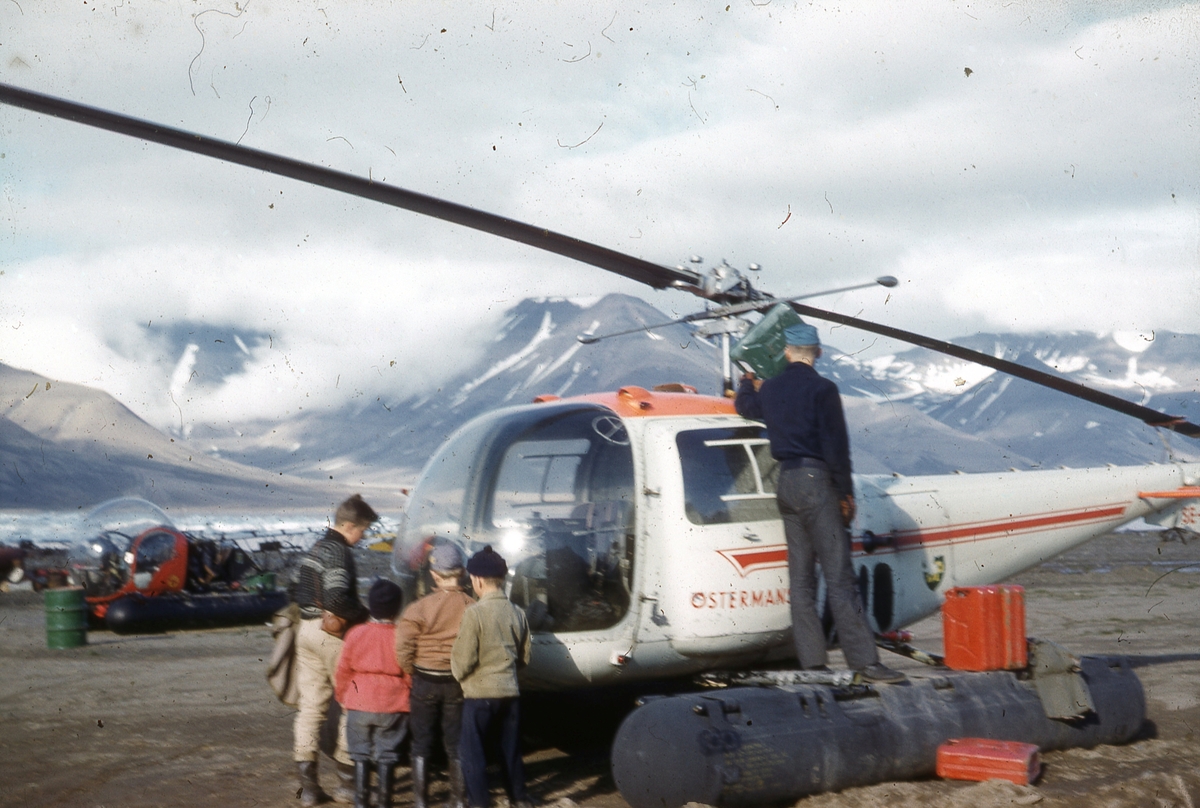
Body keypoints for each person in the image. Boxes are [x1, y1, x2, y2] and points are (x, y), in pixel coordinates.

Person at [735, 322, 906, 685]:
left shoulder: (773, 389)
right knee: (841, 579)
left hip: (787, 484)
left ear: (786, 352)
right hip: (817, 482)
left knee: (800, 581)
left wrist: (746, 382)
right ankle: (866, 664)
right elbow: (836, 447)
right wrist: (845, 494)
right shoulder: (823, 389)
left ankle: (812, 665)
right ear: (819, 353)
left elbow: (746, 406)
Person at [292, 494, 378, 806]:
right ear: (350, 526)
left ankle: (310, 788)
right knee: (348, 704)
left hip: (306, 632)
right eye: (364, 530)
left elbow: (297, 588)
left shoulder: (315, 548)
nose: (364, 536)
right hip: (333, 636)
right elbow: (338, 599)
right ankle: (346, 784)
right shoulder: (339, 552)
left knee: (311, 709)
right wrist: (366, 616)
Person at [451, 546, 534, 808]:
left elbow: (463, 660)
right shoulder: (518, 613)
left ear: (476, 580)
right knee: (510, 751)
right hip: (510, 694)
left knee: (473, 755)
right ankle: (519, 798)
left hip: (479, 696)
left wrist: (461, 677)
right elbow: (525, 657)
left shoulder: (474, 613)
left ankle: (480, 803)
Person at [395, 542, 475, 808]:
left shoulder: (419, 608)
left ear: (434, 574)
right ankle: (459, 799)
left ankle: (421, 801)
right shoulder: (472, 607)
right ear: (462, 572)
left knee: (421, 741)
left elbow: (403, 645)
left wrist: (411, 669)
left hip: (424, 680)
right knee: (455, 742)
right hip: (456, 681)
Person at [336, 578, 411, 808]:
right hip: (393, 703)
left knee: (359, 753)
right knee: (387, 753)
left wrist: (343, 697)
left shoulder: (356, 633)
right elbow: (409, 673)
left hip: (359, 703)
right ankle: (384, 801)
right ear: (397, 608)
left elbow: (342, 670)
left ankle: (361, 802)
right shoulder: (402, 636)